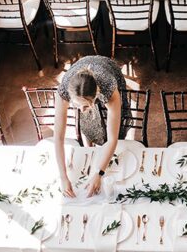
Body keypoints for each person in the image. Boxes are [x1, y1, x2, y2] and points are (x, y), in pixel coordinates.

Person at [54, 56, 130, 198]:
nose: (81, 110)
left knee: (115, 129)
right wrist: (63, 177)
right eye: (77, 105)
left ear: (96, 95)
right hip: (81, 74)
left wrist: (99, 173)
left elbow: (113, 138)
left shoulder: (109, 88)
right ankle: (89, 148)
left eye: (85, 106)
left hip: (108, 69)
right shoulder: (63, 91)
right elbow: (58, 138)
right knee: (87, 121)